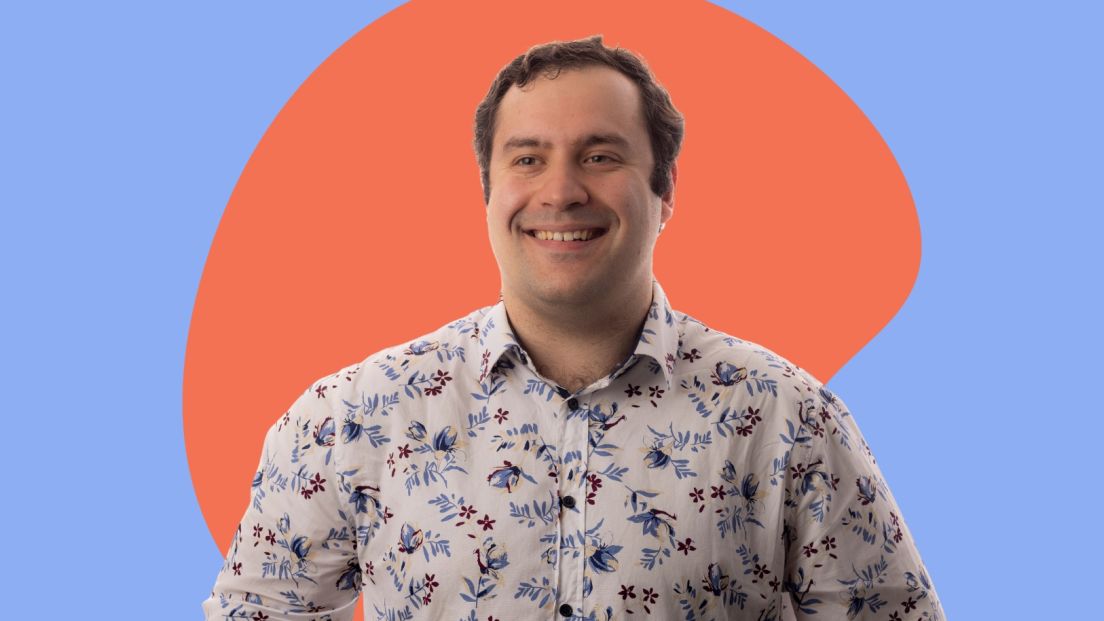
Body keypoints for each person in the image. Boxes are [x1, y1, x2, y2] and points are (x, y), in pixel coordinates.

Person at [203, 36, 944, 621]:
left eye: (600, 155)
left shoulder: (788, 419)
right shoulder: (350, 418)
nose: (561, 191)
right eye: (529, 158)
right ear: (489, 192)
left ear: (666, 190)